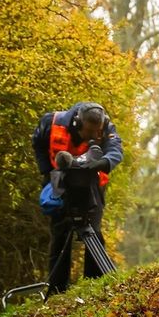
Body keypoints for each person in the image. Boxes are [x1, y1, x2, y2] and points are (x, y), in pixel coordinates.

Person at [32, 102, 123, 293]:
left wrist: (102, 162)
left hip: (92, 185)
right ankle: (57, 289)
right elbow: (38, 142)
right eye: (88, 132)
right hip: (60, 182)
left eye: (95, 133)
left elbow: (116, 150)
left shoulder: (106, 126)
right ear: (77, 123)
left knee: (93, 231)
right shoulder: (52, 122)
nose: (92, 137)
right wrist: (47, 172)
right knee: (60, 233)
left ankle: (94, 285)